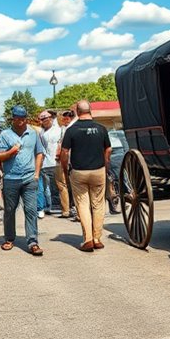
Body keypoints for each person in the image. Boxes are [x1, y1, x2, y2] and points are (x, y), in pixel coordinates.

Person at [60, 100, 112, 252]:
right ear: (90, 110)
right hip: (98, 170)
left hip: (79, 171)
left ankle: (88, 239)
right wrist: (105, 163)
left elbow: (64, 152)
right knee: (98, 204)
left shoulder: (71, 130)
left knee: (82, 204)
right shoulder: (101, 128)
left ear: (77, 110)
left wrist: (65, 168)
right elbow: (108, 149)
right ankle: (97, 238)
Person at [0, 105, 45, 256]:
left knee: (30, 210)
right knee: (10, 210)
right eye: (17, 119)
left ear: (26, 119)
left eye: (22, 119)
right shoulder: (5, 134)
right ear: (13, 118)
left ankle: (32, 241)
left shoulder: (33, 133)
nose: (20, 122)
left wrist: (36, 173)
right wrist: (11, 152)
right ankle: (9, 238)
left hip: (29, 178)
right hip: (11, 178)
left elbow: (39, 153)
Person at [37, 109, 61, 216]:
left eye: (46, 118)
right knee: (47, 187)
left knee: (54, 186)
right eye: (42, 119)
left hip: (56, 162)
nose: (45, 121)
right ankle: (50, 206)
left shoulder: (57, 129)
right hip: (47, 163)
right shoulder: (42, 132)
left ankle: (55, 205)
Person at [54, 109, 78, 220]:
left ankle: (71, 210)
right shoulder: (66, 128)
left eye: (65, 118)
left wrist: (60, 157)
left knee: (70, 186)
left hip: (69, 160)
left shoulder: (69, 129)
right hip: (70, 160)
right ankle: (71, 210)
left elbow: (64, 148)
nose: (63, 120)